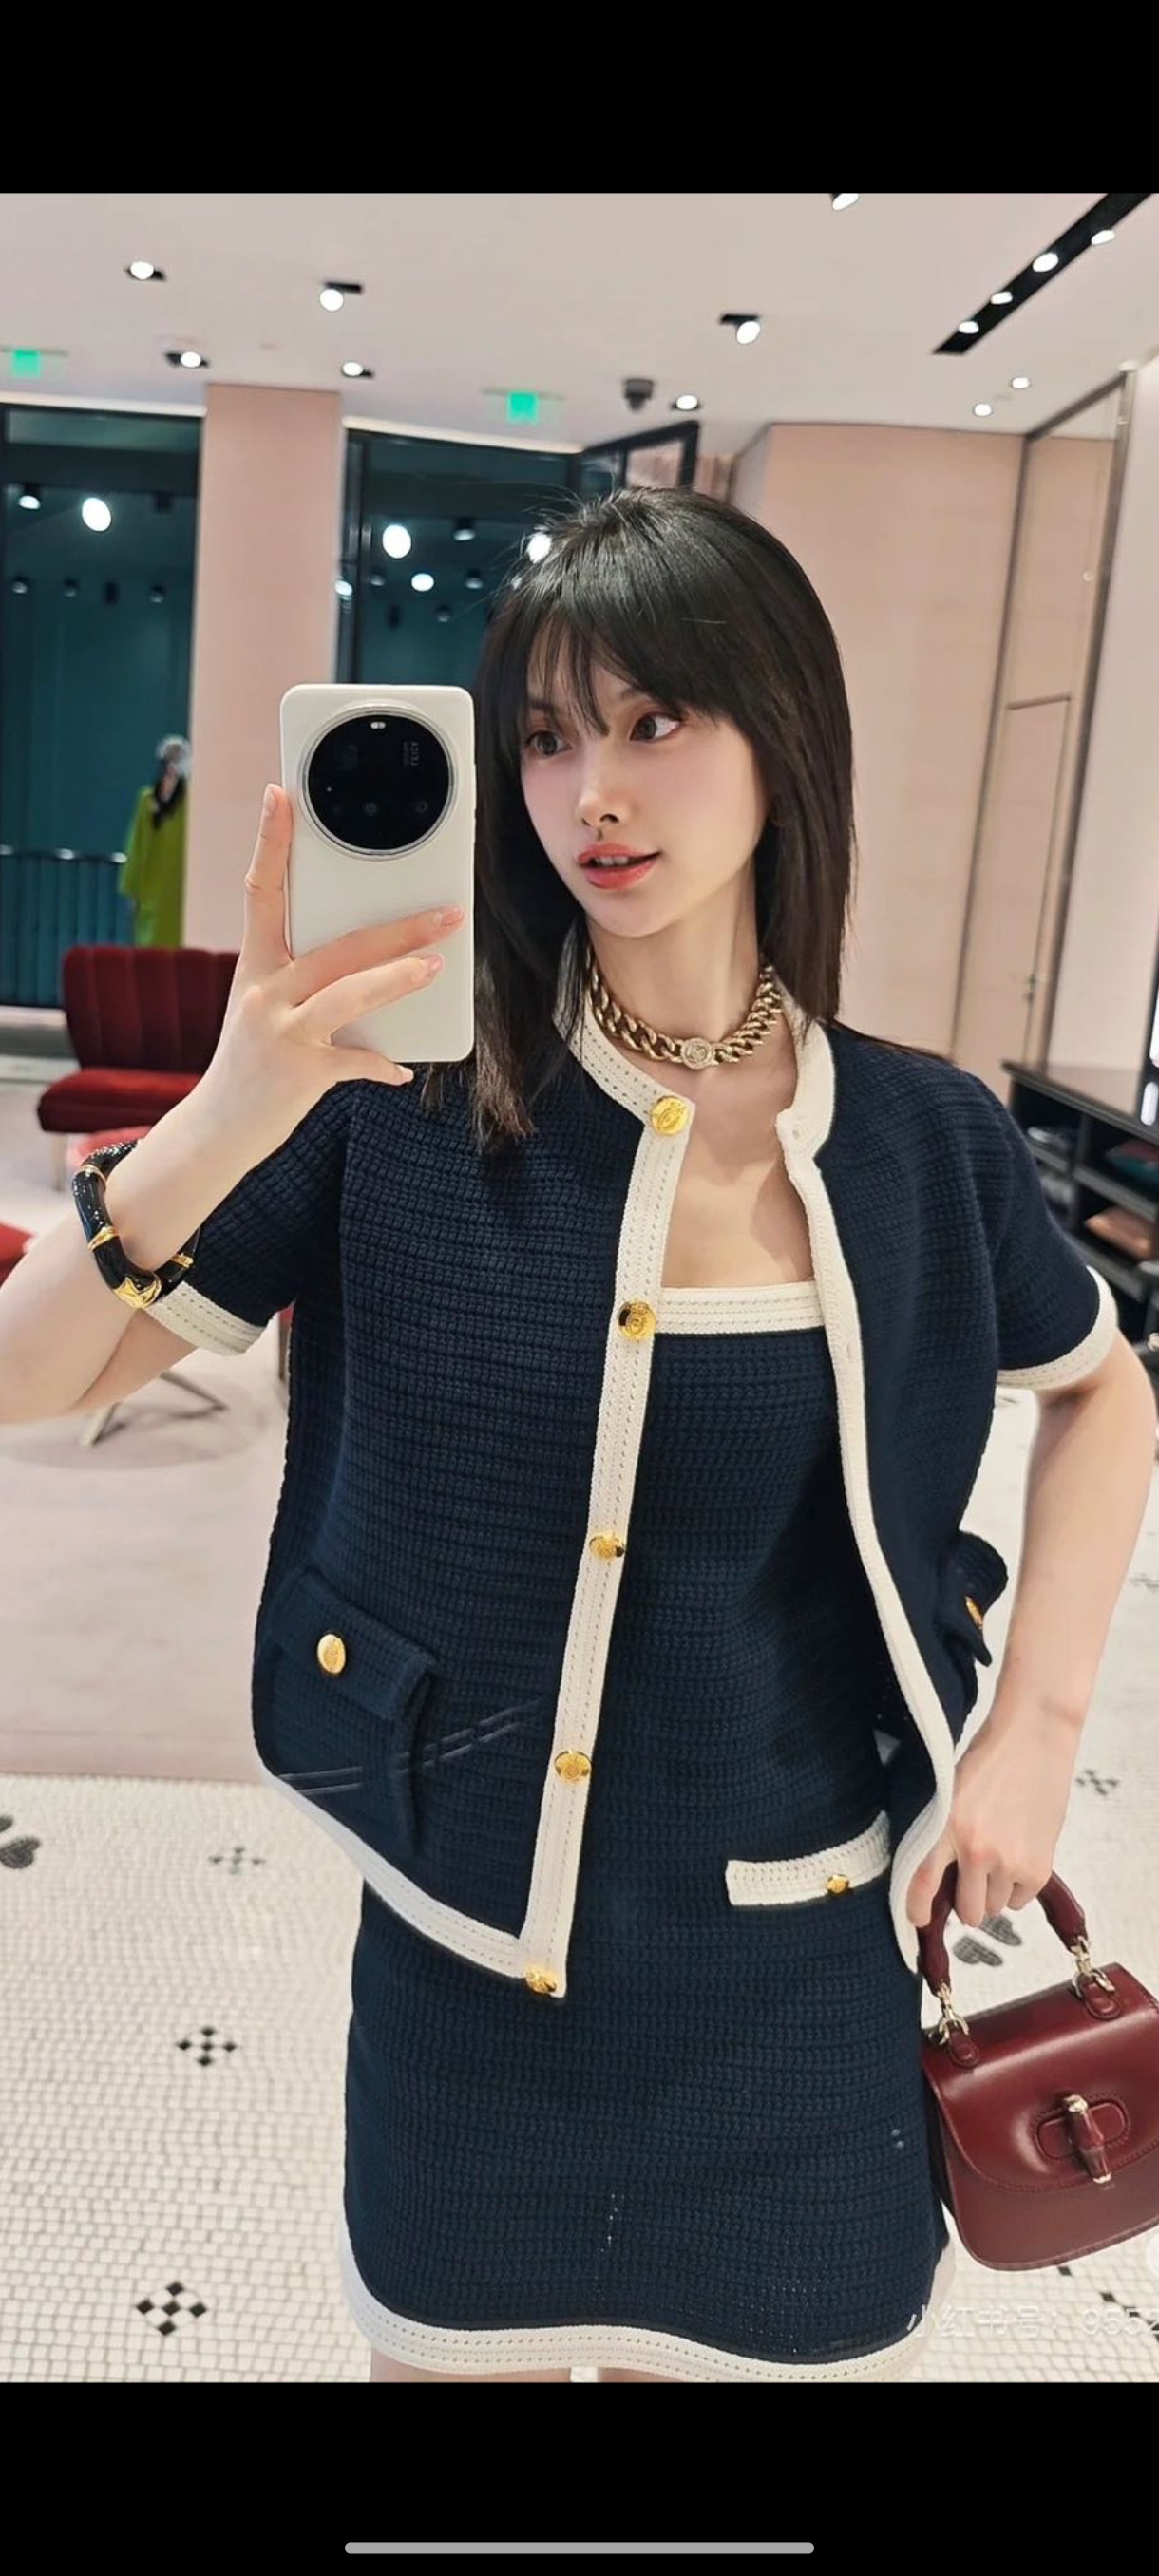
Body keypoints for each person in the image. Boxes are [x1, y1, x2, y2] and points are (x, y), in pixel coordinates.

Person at [0, 488, 1153, 2386]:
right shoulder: (398, 1108)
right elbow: (29, 1376)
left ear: (783, 735)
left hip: (803, 1985)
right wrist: (231, 1099)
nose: (588, 794)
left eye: (651, 721)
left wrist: (1034, 1733)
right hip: (473, 1988)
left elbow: (1106, 1384)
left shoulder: (922, 1139)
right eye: (541, 736)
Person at [120, 734, 190, 946]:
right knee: (148, 945)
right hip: (149, 888)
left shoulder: (189, 803)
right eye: (169, 761)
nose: (172, 768)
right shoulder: (147, 799)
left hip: (178, 889)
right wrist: (132, 888)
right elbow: (136, 844)